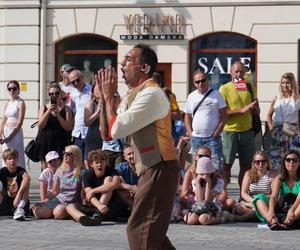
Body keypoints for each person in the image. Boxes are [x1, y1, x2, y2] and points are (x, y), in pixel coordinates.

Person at [96, 44, 179, 250]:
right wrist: (102, 100)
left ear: (144, 67)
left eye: (129, 59)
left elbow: (117, 129)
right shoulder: (133, 95)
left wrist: (108, 97)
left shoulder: (152, 94)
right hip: (152, 169)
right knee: (152, 234)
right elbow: (107, 132)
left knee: (139, 228)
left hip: (160, 167)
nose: (122, 64)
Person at [219, 61, 260, 189]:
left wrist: (253, 109)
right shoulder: (224, 88)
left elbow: (258, 110)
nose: (239, 74)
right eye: (236, 71)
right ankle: (224, 194)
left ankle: (243, 195)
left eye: (241, 71)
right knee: (226, 166)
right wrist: (241, 110)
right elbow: (222, 112)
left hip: (247, 131)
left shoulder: (249, 87)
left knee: (246, 166)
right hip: (230, 131)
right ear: (231, 72)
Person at [185, 70, 227, 171]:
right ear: (194, 83)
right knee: (196, 168)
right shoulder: (191, 96)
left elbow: (224, 115)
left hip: (212, 138)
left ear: (208, 81)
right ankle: (197, 187)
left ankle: (217, 187)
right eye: (197, 82)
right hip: (196, 138)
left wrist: (217, 132)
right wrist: (190, 133)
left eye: (203, 80)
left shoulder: (217, 95)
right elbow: (187, 116)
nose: (200, 84)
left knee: (216, 168)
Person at [32, 145, 83, 220]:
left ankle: (66, 212)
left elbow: (84, 191)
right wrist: (45, 200)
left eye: (68, 154)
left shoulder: (81, 172)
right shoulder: (60, 171)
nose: (65, 155)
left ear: (76, 155)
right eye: (64, 153)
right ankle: (55, 211)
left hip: (73, 201)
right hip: (59, 200)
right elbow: (55, 191)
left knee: (58, 213)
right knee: (39, 213)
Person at [181, 145, 235, 212]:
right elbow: (183, 194)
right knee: (183, 200)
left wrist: (215, 201)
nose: (203, 158)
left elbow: (224, 193)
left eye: (206, 156)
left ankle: (216, 212)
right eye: (200, 156)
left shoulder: (216, 173)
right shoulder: (190, 172)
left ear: (210, 158)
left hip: (213, 199)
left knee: (231, 202)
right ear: (196, 157)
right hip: (195, 199)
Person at [184, 156, 233, 225]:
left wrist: (208, 183)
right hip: (199, 206)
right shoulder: (195, 181)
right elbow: (199, 200)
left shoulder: (219, 181)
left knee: (203, 219)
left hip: (212, 206)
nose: (204, 176)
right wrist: (198, 183)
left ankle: (222, 218)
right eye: (201, 174)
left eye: (207, 174)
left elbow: (208, 200)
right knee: (191, 220)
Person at [257, 149, 300, 230]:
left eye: (295, 160)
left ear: (299, 163)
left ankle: (287, 222)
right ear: (284, 162)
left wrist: (292, 210)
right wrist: (271, 211)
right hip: (283, 207)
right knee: (260, 198)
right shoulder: (279, 178)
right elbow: (274, 196)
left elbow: (299, 198)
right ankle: (272, 220)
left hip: (296, 210)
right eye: (288, 160)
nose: (291, 162)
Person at [267, 72, 300, 172]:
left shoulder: (297, 99)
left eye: (287, 83)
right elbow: (269, 115)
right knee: (276, 161)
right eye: (283, 83)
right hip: (277, 131)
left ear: (292, 83)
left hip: (292, 131)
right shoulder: (276, 99)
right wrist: (271, 129)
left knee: (292, 161)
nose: (285, 85)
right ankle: (277, 185)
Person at [36, 82, 73, 169]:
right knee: (46, 170)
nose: (54, 95)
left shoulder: (66, 109)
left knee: (60, 169)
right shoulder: (44, 107)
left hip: (60, 141)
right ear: (49, 95)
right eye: (51, 94)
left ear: (60, 94)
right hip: (46, 141)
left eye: (57, 93)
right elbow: (40, 125)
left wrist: (58, 115)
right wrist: (48, 112)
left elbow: (68, 127)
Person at [80, 149, 123, 222]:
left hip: (110, 204)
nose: (99, 165)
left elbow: (115, 184)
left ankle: (98, 214)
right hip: (95, 205)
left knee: (108, 179)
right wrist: (100, 206)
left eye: (102, 162)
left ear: (105, 162)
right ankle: (98, 213)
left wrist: (93, 190)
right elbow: (89, 194)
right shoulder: (87, 174)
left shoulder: (112, 171)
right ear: (91, 165)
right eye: (97, 163)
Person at [233, 151, 277, 221]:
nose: (260, 164)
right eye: (257, 162)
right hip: (251, 202)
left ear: (267, 163)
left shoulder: (272, 176)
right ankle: (260, 214)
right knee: (239, 209)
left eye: (263, 161)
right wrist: (255, 202)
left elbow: (274, 195)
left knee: (261, 206)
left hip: (266, 201)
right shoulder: (248, 174)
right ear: (254, 163)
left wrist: (260, 201)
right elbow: (243, 193)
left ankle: (243, 218)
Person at [0, 80, 26, 169]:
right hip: (6, 132)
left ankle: (18, 178)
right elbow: (3, 120)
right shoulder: (7, 103)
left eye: (14, 88)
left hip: (15, 134)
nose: (12, 90)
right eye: (9, 88)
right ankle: (6, 178)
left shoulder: (20, 102)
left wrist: (9, 138)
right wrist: (0, 134)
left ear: (18, 90)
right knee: (6, 156)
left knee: (16, 155)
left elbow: (20, 123)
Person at [0, 148, 30, 220]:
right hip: (5, 203)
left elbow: (27, 178)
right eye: (9, 159)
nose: (12, 161)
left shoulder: (20, 170)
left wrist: (18, 195)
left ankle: (20, 209)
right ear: (5, 161)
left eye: (14, 158)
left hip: (19, 201)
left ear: (17, 159)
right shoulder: (3, 171)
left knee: (26, 182)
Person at [69, 69, 92, 160]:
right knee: (78, 161)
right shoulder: (73, 93)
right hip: (77, 132)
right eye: (72, 82)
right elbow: (73, 110)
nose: (75, 83)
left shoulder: (91, 90)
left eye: (77, 80)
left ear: (82, 78)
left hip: (89, 131)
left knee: (89, 160)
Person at [84, 83, 103, 167]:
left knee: (102, 163)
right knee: (90, 163)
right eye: (97, 88)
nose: (99, 90)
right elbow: (86, 122)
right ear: (93, 91)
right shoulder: (91, 103)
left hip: (104, 139)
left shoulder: (108, 102)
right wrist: (97, 112)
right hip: (93, 137)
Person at [115, 144, 138, 209]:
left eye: (133, 153)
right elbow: (114, 182)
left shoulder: (143, 166)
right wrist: (130, 187)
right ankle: (135, 210)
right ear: (125, 157)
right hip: (128, 194)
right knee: (121, 191)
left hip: (141, 191)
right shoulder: (121, 167)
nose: (132, 156)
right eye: (129, 154)